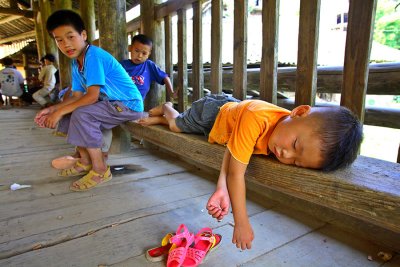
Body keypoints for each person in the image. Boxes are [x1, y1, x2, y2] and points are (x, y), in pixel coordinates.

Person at [138, 94, 363, 250]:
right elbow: (237, 173)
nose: (285, 155)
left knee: (179, 125)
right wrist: (241, 222)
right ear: (299, 112)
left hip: (227, 127)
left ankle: (160, 118)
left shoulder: (286, 130)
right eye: (295, 146)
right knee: (178, 126)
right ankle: (166, 109)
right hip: (210, 114)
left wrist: (221, 188)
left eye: (297, 162)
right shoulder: (257, 118)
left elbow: (234, 149)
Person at [34, 9, 144, 191]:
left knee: (82, 114)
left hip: (128, 105)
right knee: (71, 112)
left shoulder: (93, 56)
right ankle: (84, 161)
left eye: (70, 37)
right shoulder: (75, 62)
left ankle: (100, 170)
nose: (66, 44)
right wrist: (54, 109)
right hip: (110, 104)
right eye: (59, 40)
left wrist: (60, 111)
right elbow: (76, 96)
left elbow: (92, 96)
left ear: (83, 35)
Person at [120, 33, 175, 100]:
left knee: (167, 105)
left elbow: (165, 77)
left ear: (149, 54)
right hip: (120, 101)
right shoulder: (122, 65)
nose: (140, 55)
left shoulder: (149, 65)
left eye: (144, 53)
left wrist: (171, 92)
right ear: (130, 48)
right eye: (136, 51)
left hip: (137, 105)